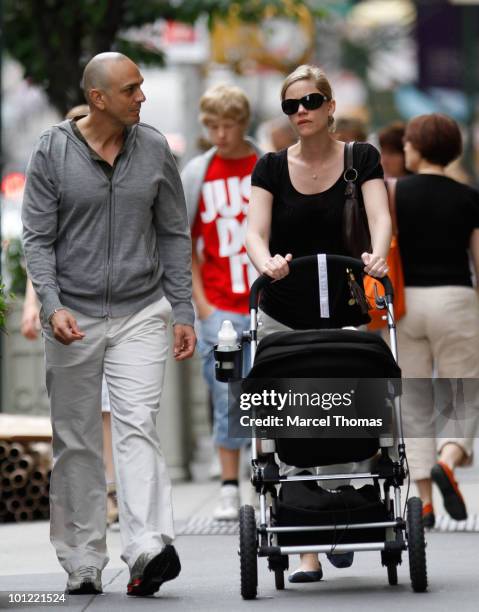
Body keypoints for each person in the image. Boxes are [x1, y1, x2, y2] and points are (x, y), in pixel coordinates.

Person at [22, 52, 196, 597]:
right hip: (72, 314)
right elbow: (37, 239)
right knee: (76, 440)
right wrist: (50, 305)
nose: (141, 97)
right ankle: (82, 558)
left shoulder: (154, 150)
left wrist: (182, 308)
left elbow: (172, 233)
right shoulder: (52, 150)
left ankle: (147, 547)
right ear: (98, 98)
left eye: (141, 87)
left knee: (137, 423)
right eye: (130, 89)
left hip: (141, 309)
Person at [246, 64, 391, 583]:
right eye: (290, 106)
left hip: (345, 310)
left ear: (331, 106)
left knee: (343, 415)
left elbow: (379, 215)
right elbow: (254, 230)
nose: (300, 112)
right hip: (285, 311)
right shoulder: (269, 167)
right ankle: (306, 545)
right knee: (293, 420)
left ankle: (341, 511)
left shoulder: (360, 158)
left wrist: (379, 251)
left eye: (310, 102)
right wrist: (265, 261)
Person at [21, 103, 119, 527]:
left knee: (109, 412)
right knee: (80, 418)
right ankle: (90, 501)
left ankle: (112, 493)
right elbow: (38, 251)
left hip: (115, 310)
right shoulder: (53, 173)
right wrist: (36, 305)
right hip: (67, 311)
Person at [181, 84, 262, 520]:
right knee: (227, 394)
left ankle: (264, 472)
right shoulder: (198, 172)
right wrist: (203, 304)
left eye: (227, 126)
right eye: (212, 126)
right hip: (219, 304)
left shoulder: (266, 164)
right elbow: (182, 242)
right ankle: (230, 486)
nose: (220, 134)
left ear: (243, 124)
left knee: (270, 391)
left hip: (263, 302)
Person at [396, 113, 479, 528]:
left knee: (412, 399)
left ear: (418, 146)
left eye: (408, 142)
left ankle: (423, 500)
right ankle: (450, 457)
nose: (405, 148)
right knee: (461, 390)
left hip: (406, 301)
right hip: (455, 299)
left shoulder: (394, 194)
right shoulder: (469, 197)